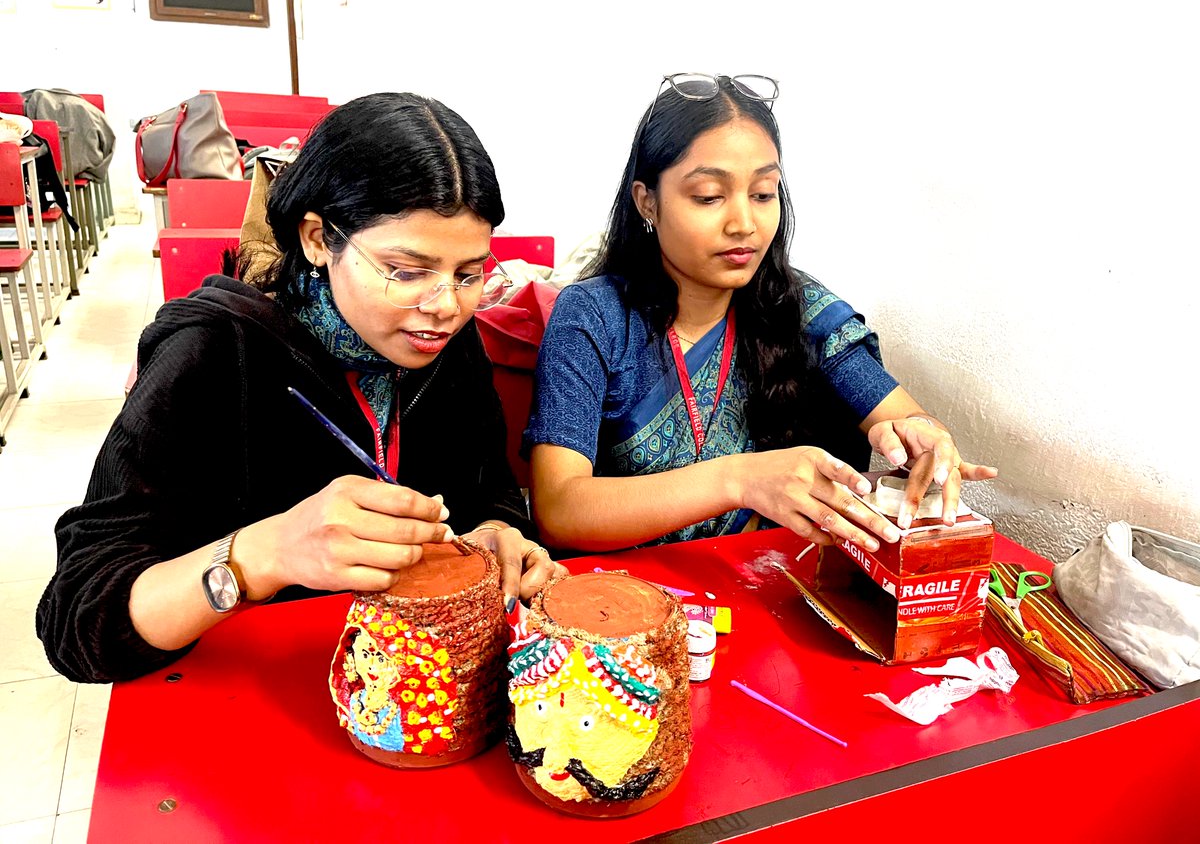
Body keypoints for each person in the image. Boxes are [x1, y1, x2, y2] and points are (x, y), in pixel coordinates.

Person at [37, 92, 564, 684]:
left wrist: (495, 532)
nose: (443, 306)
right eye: (406, 271)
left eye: (468, 274)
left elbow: (485, 486)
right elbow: (75, 620)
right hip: (249, 694)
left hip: (413, 686)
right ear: (317, 238)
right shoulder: (213, 351)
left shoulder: (449, 342)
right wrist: (264, 554)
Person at [526, 74, 997, 553]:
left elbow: (905, 418)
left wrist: (923, 439)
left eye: (762, 194)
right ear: (647, 200)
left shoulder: (799, 306)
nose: (744, 224)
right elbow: (561, 510)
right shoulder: (594, 317)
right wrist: (739, 481)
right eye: (709, 196)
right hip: (620, 603)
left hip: (756, 588)